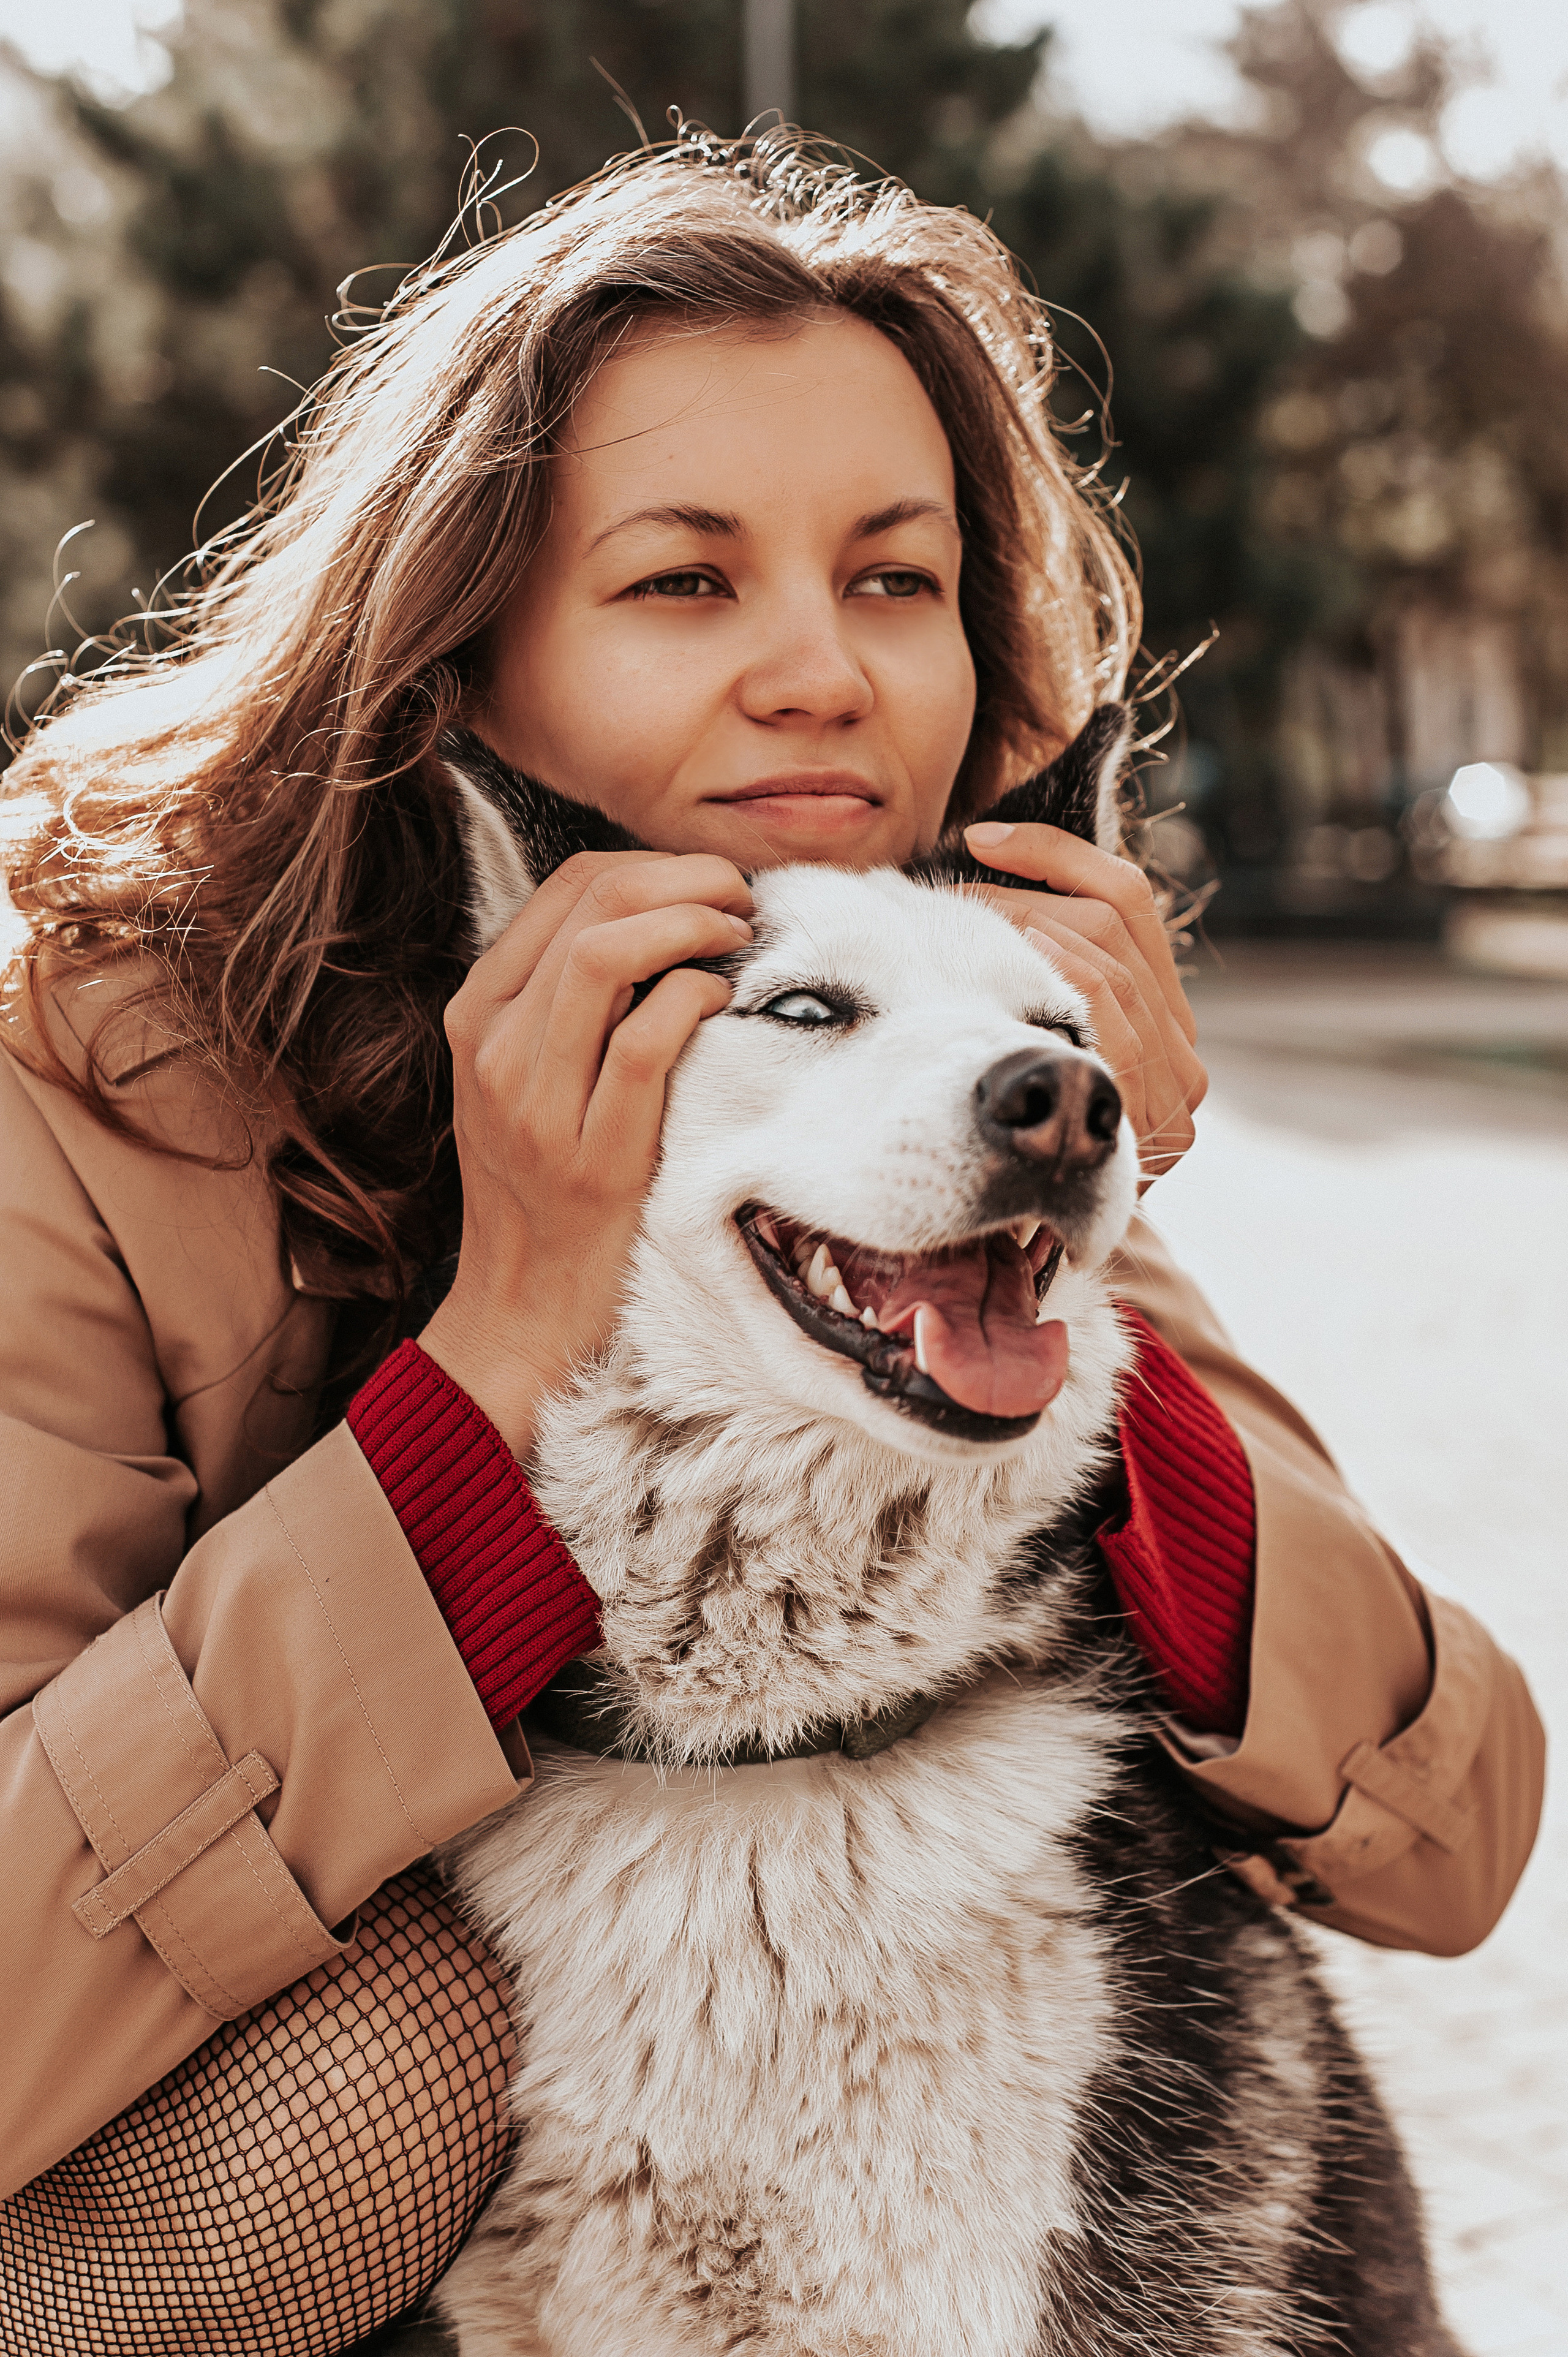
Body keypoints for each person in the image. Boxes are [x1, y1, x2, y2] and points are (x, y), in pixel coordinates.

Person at [0, 131, 1543, 2355]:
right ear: (459, 651)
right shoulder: (98, 1065)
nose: (826, 674)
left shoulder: (946, 1063)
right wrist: (510, 1328)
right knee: (392, 2065)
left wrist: (1083, 1268)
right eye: (688, 581)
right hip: (116, 2179)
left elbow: (1454, 1824)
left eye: (898, 582)